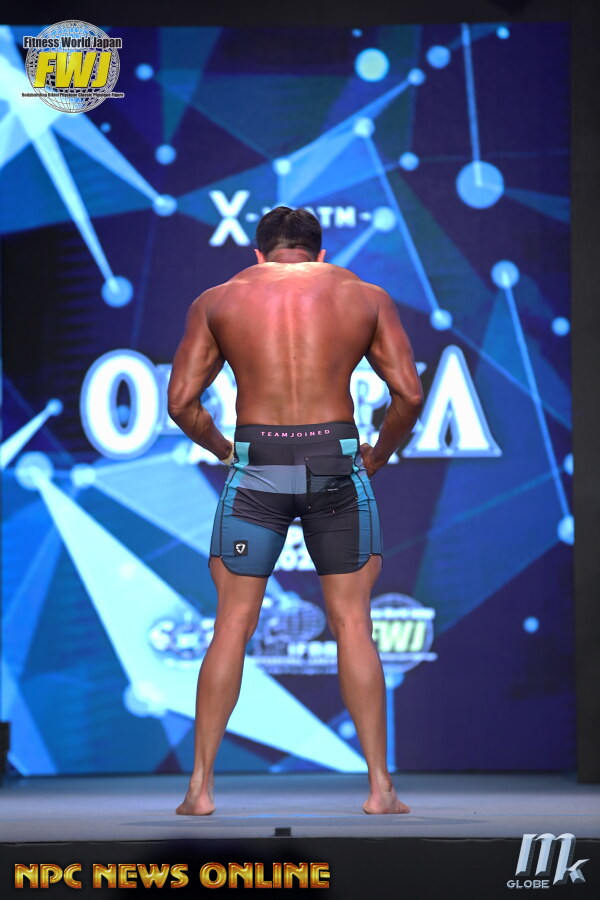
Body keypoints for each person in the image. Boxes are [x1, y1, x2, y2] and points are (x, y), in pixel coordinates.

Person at [167, 206, 424, 816]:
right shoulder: (364, 296)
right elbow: (410, 395)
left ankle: (199, 789)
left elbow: (180, 403)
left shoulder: (218, 300)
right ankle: (380, 789)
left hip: (257, 464)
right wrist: (379, 454)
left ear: (258, 254)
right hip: (335, 461)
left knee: (232, 624)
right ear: (321, 253)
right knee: (353, 624)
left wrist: (226, 450)